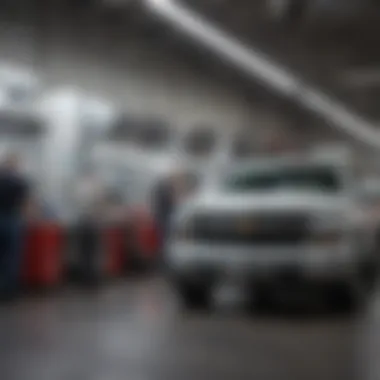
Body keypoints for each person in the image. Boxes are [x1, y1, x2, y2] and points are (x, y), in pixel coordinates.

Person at [0, 153, 30, 301]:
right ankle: (9, 291)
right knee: (12, 256)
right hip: (12, 219)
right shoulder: (19, 182)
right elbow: (25, 204)